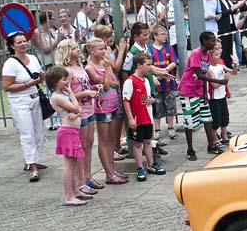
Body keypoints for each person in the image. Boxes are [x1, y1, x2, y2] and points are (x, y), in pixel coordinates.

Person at [56, 39, 100, 194]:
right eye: (74, 48)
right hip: (77, 111)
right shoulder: (66, 71)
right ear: (66, 51)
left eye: (77, 47)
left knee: (88, 143)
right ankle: (80, 182)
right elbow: (67, 94)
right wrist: (86, 93)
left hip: (89, 108)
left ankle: (87, 176)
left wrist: (91, 88)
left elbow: (82, 85)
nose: (78, 50)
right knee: (80, 147)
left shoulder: (80, 66)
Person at [1, 32, 46, 182]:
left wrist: (41, 77)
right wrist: (28, 84)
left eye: (25, 41)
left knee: (38, 131)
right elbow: (7, 86)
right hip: (20, 101)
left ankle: (35, 159)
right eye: (19, 42)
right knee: (27, 133)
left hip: (35, 97)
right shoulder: (10, 63)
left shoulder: (32, 58)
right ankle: (31, 165)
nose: (23, 44)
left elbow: (39, 77)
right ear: (12, 46)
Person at [178, 31, 228, 160]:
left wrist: (205, 92)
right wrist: (219, 82)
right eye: (212, 41)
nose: (214, 43)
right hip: (188, 90)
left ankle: (211, 145)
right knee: (190, 121)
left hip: (199, 90)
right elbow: (199, 74)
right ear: (205, 41)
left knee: (207, 118)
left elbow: (203, 76)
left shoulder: (207, 55)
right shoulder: (196, 54)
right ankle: (190, 149)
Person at [45, 66, 89, 206]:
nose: (67, 82)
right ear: (55, 81)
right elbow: (76, 107)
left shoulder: (63, 95)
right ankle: (68, 196)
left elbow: (78, 109)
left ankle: (75, 191)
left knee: (74, 164)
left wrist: (76, 110)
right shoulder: (57, 97)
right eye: (64, 79)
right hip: (67, 132)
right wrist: (72, 94)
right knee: (69, 165)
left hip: (73, 131)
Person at [84, 37, 125, 185]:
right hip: (102, 107)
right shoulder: (90, 68)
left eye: (104, 48)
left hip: (113, 103)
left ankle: (112, 170)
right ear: (91, 50)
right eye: (100, 49)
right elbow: (107, 86)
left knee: (112, 140)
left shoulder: (104, 63)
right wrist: (108, 70)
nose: (104, 51)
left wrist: (108, 77)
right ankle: (108, 173)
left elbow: (116, 83)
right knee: (104, 140)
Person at [123, 53, 166, 181]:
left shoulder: (147, 80)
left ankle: (151, 164)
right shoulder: (130, 81)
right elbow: (126, 100)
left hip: (147, 117)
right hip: (137, 118)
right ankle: (139, 167)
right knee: (137, 144)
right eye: (148, 65)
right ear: (139, 65)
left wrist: (152, 100)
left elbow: (149, 97)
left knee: (148, 141)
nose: (150, 67)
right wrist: (130, 118)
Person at [149, 24, 178, 140]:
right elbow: (149, 65)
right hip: (156, 84)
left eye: (165, 34)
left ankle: (171, 127)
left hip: (168, 82)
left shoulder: (169, 48)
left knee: (170, 105)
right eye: (162, 34)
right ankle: (157, 129)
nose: (165, 36)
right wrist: (157, 74)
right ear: (155, 36)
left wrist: (166, 70)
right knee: (157, 106)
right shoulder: (149, 49)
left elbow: (174, 61)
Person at [207, 40, 239, 145]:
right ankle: (214, 138)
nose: (218, 54)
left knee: (224, 116)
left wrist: (235, 64)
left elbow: (233, 72)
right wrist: (224, 80)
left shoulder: (220, 64)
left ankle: (224, 136)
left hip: (222, 96)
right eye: (216, 53)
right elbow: (214, 85)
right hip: (213, 97)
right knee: (215, 119)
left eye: (219, 51)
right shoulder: (209, 69)